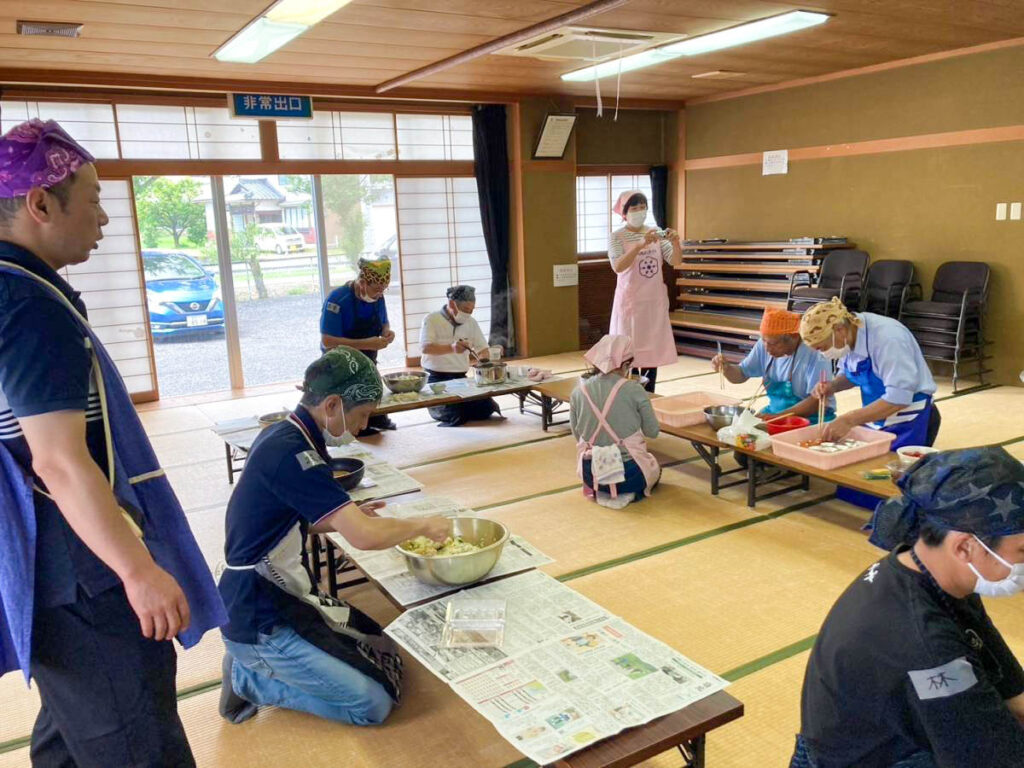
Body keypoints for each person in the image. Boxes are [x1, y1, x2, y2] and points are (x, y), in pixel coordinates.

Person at [0, 119, 225, 767]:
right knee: (137, 744)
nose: (104, 216)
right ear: (41, 204)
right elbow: (60, 461)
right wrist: (137, 571)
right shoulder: (28, 305)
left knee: (74, 734)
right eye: (93, 198)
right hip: (83, 576)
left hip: (40, 565)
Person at [217, 347, 450, 726]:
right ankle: (250, 679)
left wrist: (347, 517)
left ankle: (258, 664)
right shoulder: (292, 453)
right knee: (372, 705)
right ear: (331, 405)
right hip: (257, 610)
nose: (361, 426)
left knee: (381, 649)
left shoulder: (288, 434)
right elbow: (364, 537)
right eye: (360, 416)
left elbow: (291, 519)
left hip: (278, 589)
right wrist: (423, 526)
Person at [791, 447, 1024, 768]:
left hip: (886, 735)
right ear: (966, 546)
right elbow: (991, 758)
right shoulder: (924, 644)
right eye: (1022, 550)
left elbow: (1008, 683)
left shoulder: (930, 569)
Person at [801, 297, 940, 509]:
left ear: (839, 330)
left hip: (907, 413)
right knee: (856, 477)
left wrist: (849, 419)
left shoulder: (888, 339)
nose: (823, 353)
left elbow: (899, 397)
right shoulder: (849, 337)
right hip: (875, 411)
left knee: (887, 478)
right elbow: (851, 374)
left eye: (822, 347)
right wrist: (832, 386)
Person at [571, 335, 661, 509]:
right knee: (655, 466)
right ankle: (626, 491)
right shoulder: (634, 389)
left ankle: (605, 490)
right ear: (626, 364)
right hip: (630, 474)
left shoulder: (578, 391)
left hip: (591, 473)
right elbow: (652, 431)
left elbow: (577, 435)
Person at [608, 190, 682, 393]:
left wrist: (675, 242)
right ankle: (626, 396)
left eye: (643, 207)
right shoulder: (617, 237)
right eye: (634, 208)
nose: (640, 211)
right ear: (624, 213)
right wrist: (639, 245)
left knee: (651, 354)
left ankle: (649, 396)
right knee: (627, 353)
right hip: (630, 305)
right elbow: (618, 266)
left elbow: (675, 261)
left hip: (653, 304)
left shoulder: (655, 232)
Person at [712, 308, 836, 423]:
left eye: (773, 344)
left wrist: (778, 417)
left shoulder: (814, 352)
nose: (767, 348)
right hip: (775, 412)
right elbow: (740, 375)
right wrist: (727, 368)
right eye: (764, 341)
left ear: (794, 337)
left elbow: (817, 402)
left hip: (812, 418)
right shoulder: (765, 343)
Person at [320, 257, 397, 435]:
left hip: (368, 359)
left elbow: (384, 322)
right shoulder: (337, 299)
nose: (380, 294)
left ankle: (377, 418)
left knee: (374, 392)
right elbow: (327, 341)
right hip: (340, 362)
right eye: (376, 290)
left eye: (383, 290)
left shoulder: (378, 297)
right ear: (362, 283)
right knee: (353, 403)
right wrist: (366, 344)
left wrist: (387, 332)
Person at [419, 284, 500, 427]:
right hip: (436, 379)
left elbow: (482, 349)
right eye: (465, 310)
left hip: (461, 379)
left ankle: (464, 407)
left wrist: (484, 361)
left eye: (471, 310)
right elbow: (425, 348)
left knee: (487, 407)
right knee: (455, 412)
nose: (468, 314)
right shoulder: (432, 319)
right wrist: (451, 348)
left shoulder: (471, 322)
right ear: (451, 304)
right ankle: (450, 409)